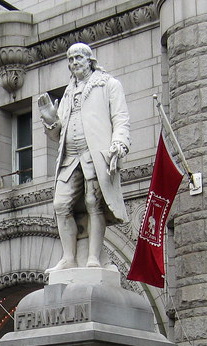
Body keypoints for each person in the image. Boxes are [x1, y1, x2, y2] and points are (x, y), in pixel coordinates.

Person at [38, 42, 131, 271]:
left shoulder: (108, 84)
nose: (74, 63)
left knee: (93, 203)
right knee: (61, 205)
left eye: (78, 58)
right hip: (70, 158)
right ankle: (69, 258)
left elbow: (121, 119)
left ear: (90, 60)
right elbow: (56, 134)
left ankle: (94, 258)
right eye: (70, 60)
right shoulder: (69, 92)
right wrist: (50, 119)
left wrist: (119, 143)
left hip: (94, 156)